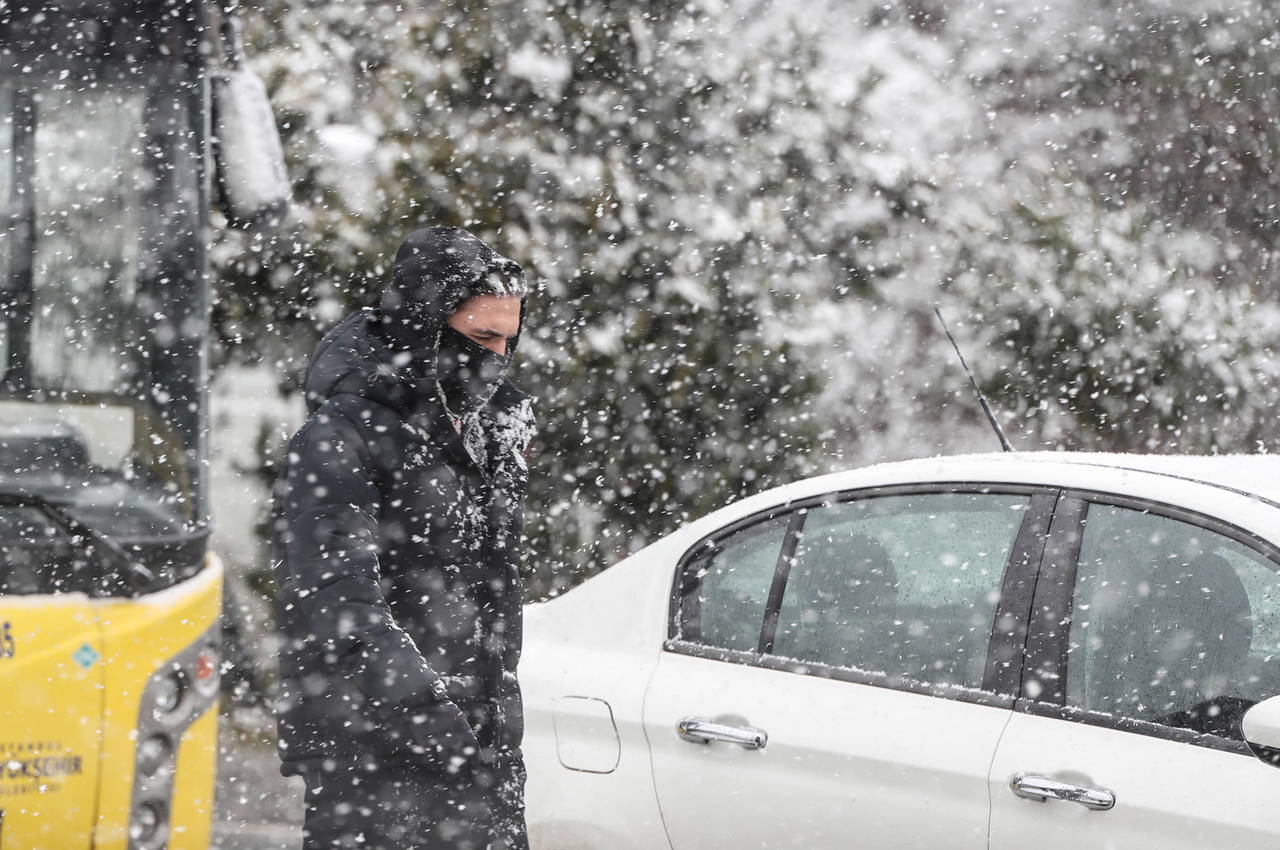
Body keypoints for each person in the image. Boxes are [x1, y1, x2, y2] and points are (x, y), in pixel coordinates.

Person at [271, 226, 536, 849]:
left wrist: (489, 731)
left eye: (507, 340)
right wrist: (427, 715)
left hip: (476, 746)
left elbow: (490, 596)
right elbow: (337, 598)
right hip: (370, 751)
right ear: (426, 326)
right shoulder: (342, 434)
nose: (495, 359)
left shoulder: (489, 435)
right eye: (479, 337)